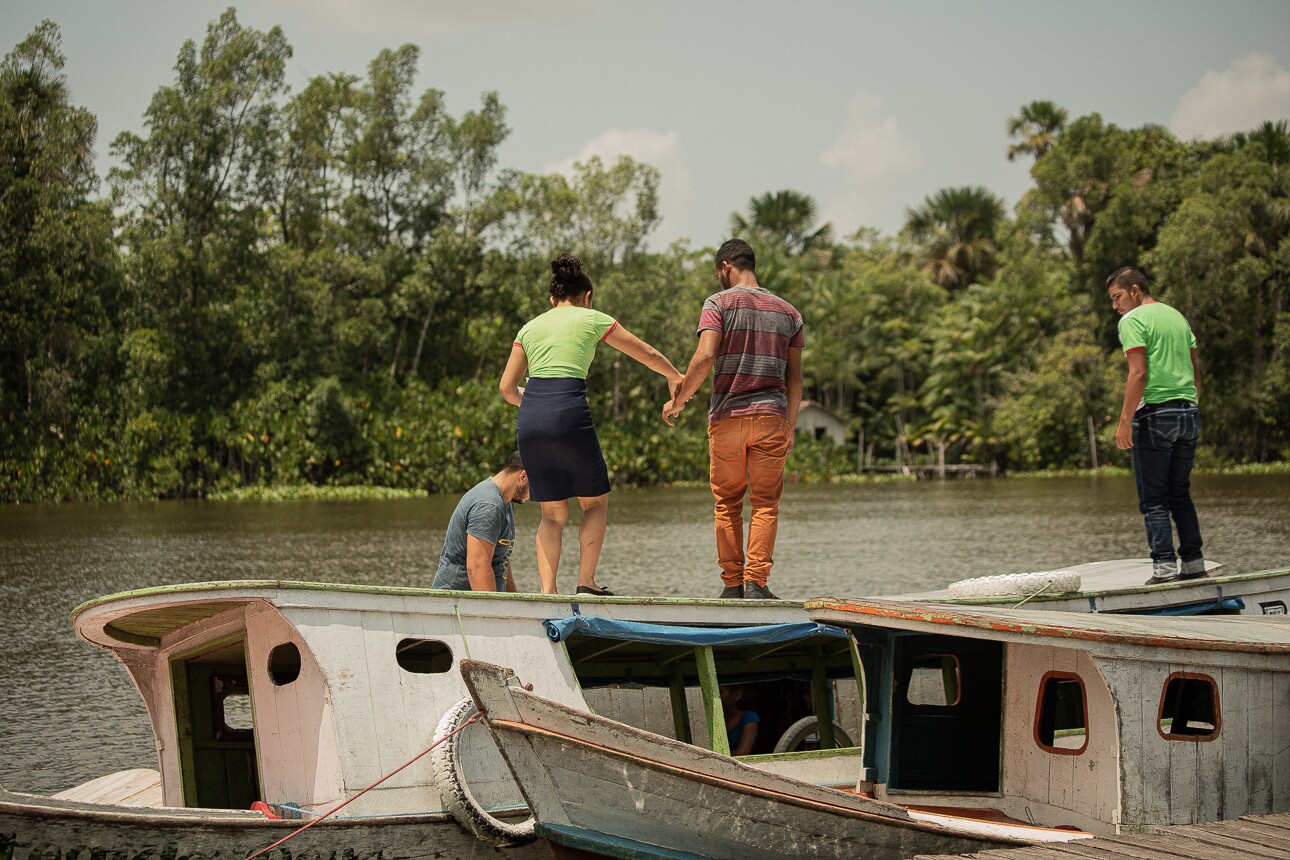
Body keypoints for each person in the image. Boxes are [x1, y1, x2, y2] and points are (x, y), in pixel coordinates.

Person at [501, 253, 683, 596]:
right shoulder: (592, 319)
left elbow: (506, 389)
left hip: (532, 418)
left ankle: (547, 592)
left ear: (552, 299)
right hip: (570, 410)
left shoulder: (529, 328)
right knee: (594, 503)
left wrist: (537, 405)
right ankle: (586, 582)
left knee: (552, 513)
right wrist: (674, 376)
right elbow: (644, 353)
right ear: (586, 297)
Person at [664, 239, 803, 600]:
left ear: (727, 266)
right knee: (766, 504)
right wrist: (790, 426)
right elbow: (795, 378)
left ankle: (732, 585)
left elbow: (706, 354)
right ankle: (756, 583)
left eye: (718, 273)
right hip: (772, 416)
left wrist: (678, 400)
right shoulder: (789, 313)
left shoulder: (718, 303)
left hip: (727, 417)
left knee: (727, 503)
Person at [1107, 266, 1207, 585]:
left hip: (1155, 415)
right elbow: (1195, 368)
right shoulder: (1177, 317)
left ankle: (1164, 568)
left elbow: (1138, 373)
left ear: (1136, 291)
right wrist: (1191, 404)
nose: (1116, 306)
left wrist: (1124, 422)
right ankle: (1193, 563)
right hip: (1188, 413)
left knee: (1154, 499)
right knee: (1180, 493)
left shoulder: (1133, 320)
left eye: (1118, 297)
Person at [431, 452, 529, 592]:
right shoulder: (489, 504)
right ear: (523, 476)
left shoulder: (506, 501)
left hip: (484, 606)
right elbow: (477, 568)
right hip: (457, 604)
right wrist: (493, 613)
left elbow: (502, 559)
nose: (535, 494)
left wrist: (515, 604)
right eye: (536, 486)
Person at [720, 685, 760, 756]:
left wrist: (716, 754)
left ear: (737, 695)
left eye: (720, 692)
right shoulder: (714, 721)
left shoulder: (749, 717)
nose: (716, 697)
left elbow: (742, 753)